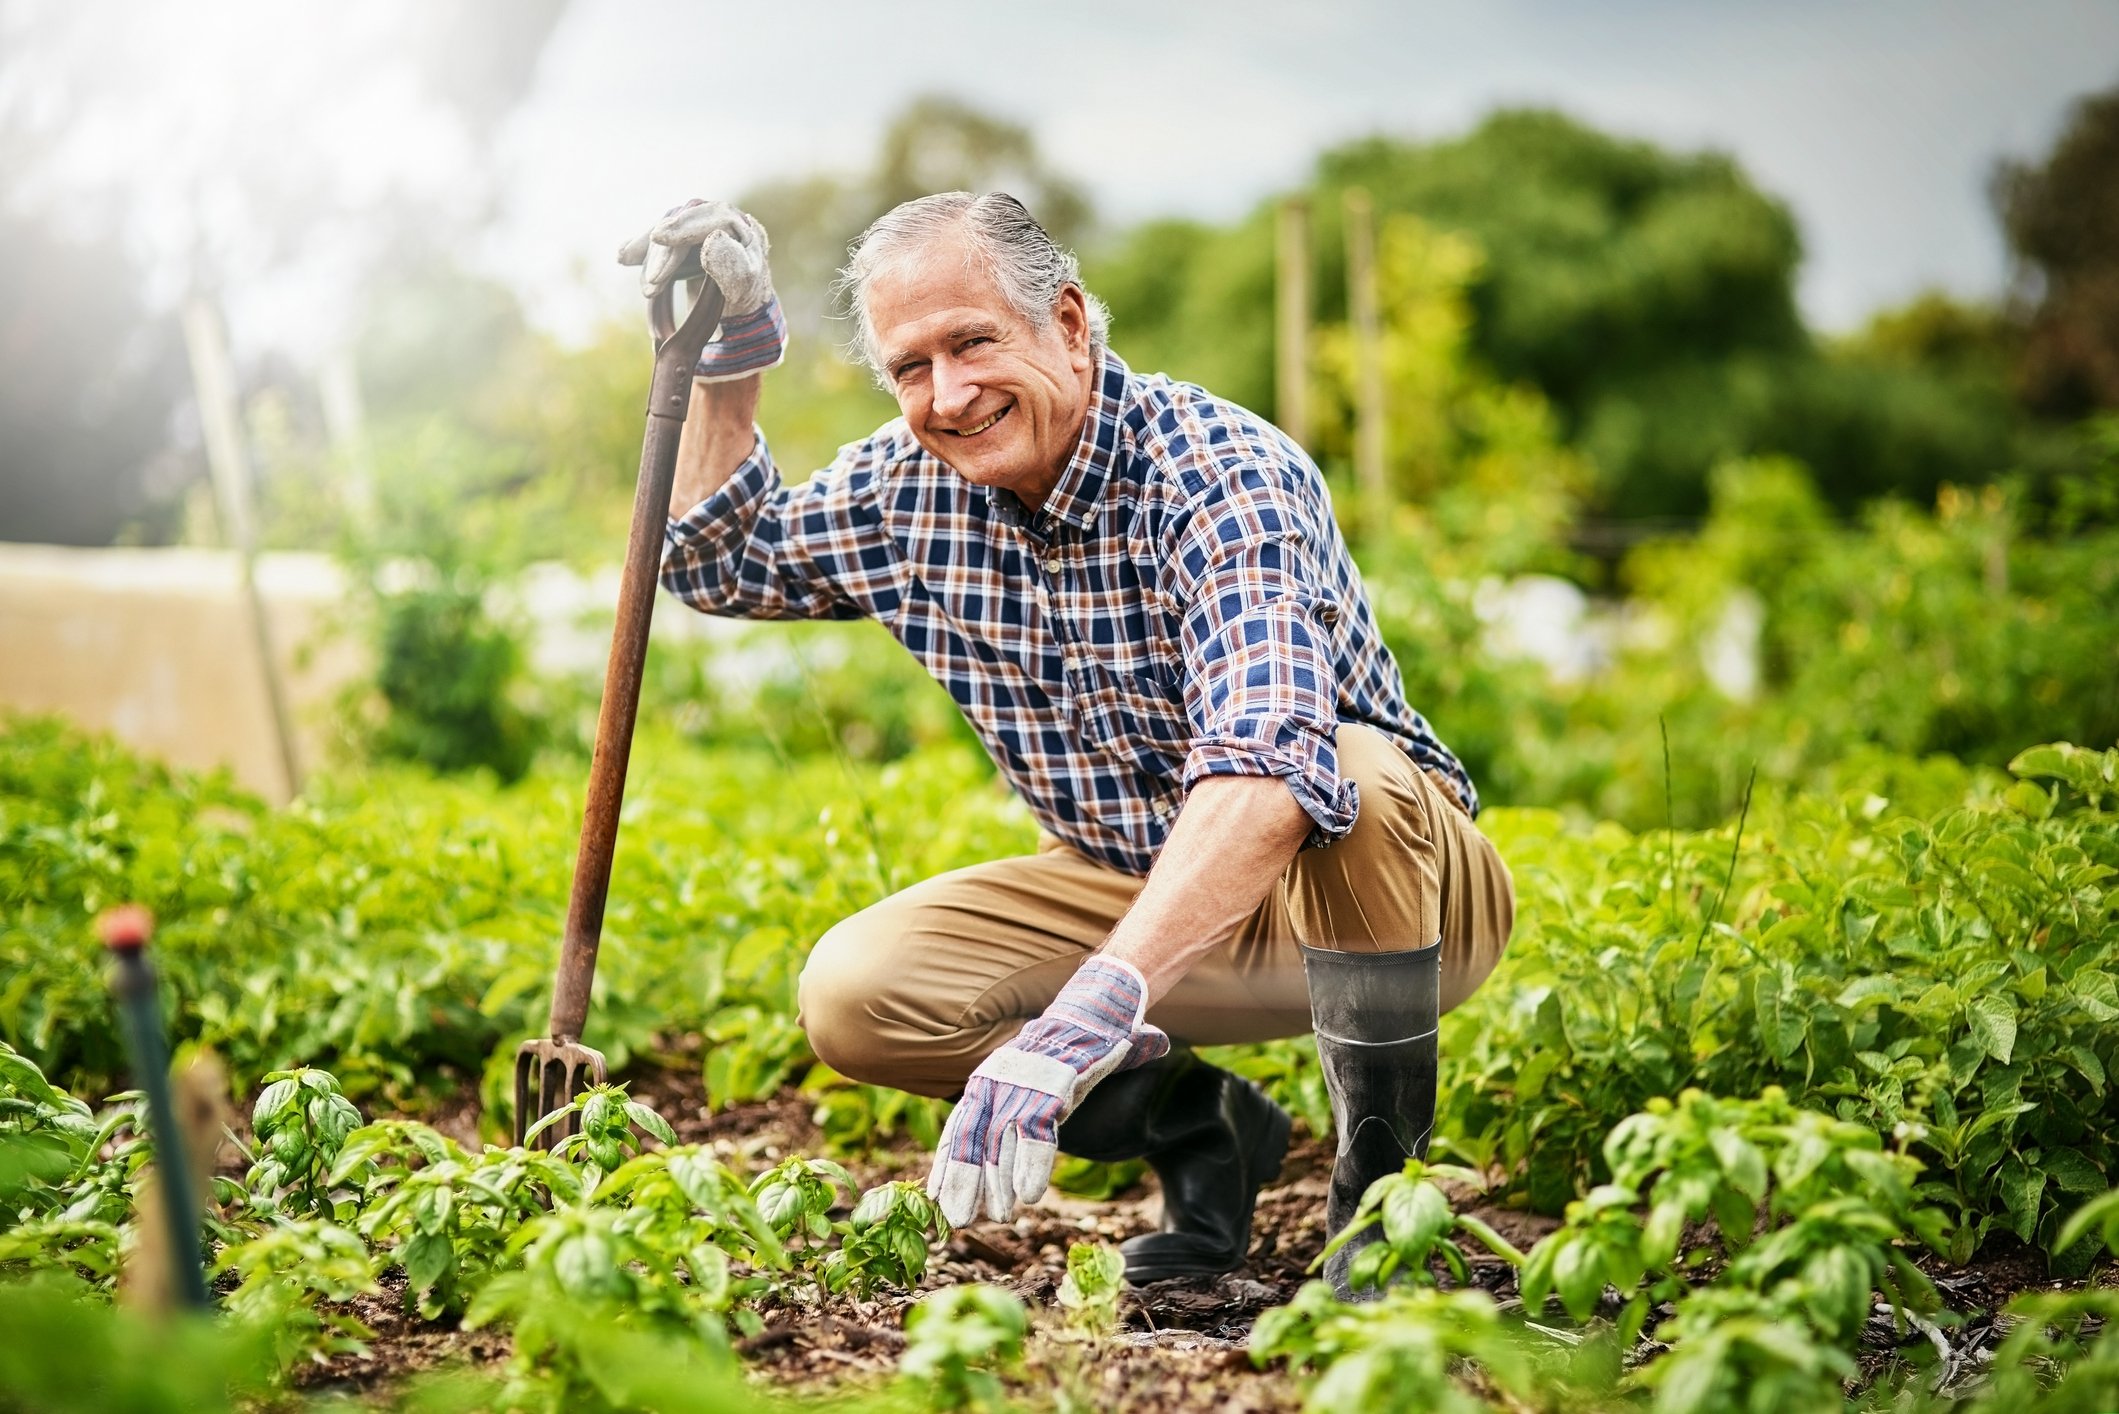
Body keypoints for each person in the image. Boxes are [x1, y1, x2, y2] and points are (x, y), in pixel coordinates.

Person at [622, 192, 1515, 1296]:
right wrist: (730, 355)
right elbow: (720, 561)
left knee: (1354, 780)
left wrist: (1089, 1012)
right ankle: (1208, 1129)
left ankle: (1383, 1213)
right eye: (910, 367)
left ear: (1072, 322)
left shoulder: (1219, 471)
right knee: (858, 992)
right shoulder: (908, 491)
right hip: (1128, 885)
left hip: (1383, 897)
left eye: (973, 341)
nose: (947, 395)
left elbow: (1270, 764)